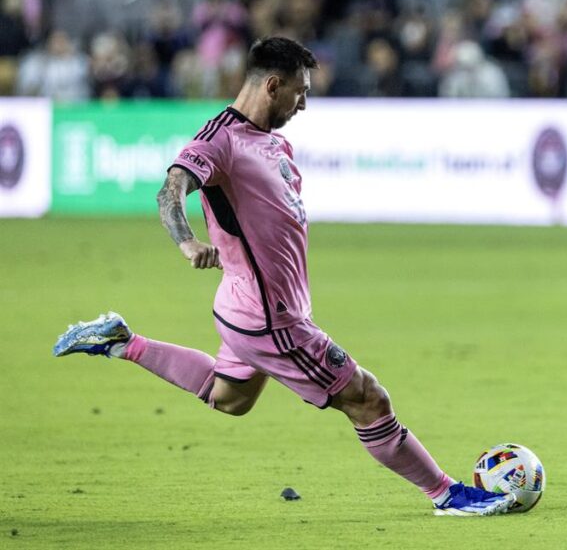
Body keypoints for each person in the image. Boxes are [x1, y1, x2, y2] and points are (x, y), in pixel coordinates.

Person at [53, 36, 513, 517]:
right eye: (301, 91)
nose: (304, 103)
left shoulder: (275, 142)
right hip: (269, 318)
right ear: (273, 85)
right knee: (368, 398)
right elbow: (171, 189)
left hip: (246, 306)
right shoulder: (219, 140)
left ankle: (123, 342)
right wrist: (187, 242)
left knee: (230, 398)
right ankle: (447, 495)